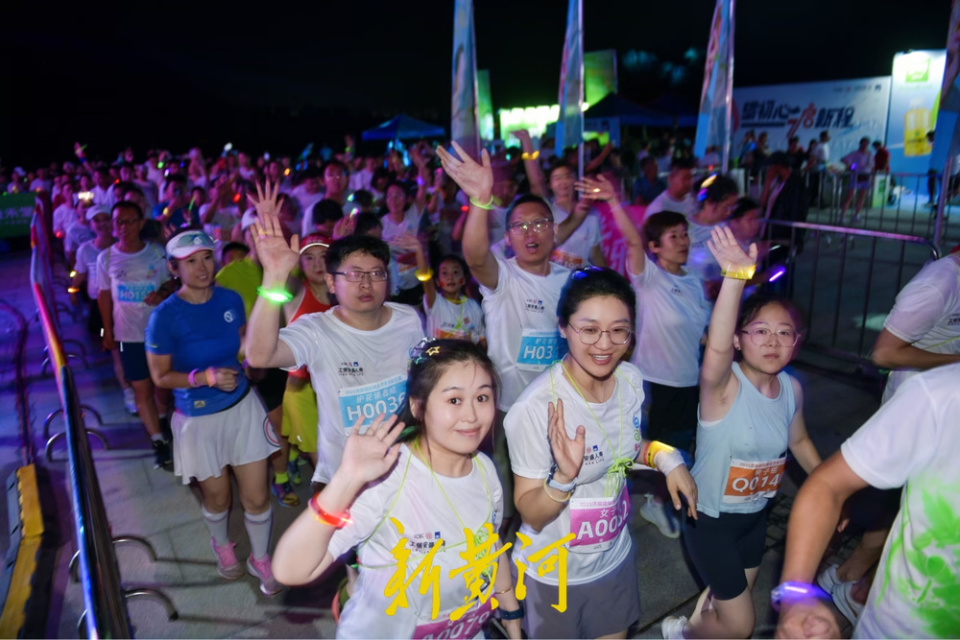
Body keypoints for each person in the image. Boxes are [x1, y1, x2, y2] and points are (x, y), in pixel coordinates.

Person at [273, 340, 522, 638]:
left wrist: (510, 612)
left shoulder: (484, 469)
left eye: (482, 397)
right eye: (454, 400)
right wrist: (346, 479)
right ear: (418, 406)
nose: (471, 415)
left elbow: (490, 544)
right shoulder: (387, 479)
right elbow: (290, 570)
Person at [505, 267, 698, 639]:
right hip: (553, 572)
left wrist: (667, 458)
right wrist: (564, 478)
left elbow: (626, 446)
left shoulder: (630, 380)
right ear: (563, 327)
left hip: (614, 557)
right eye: (589, 330)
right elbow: (531, 512)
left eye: (618, 330)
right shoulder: (536, 408)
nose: (605, 344)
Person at [662, 227, 822, 639]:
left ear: (796, 342)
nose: (773, 341)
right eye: (760, 331)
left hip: (755, 518)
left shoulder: (791, 388)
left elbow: (799, 441)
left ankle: (685, 633)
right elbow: (714, 351)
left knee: (725, 600)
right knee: (741, 624)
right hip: (710, 521)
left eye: (784, 332)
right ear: (737, 340)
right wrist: (735, 278)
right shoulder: (723, 387)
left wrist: (830, 490)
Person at [244, 181, 425, 488]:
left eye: (376, 273)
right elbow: (259, 356)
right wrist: (274, 276)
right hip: (345, 480)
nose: (366, 284)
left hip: (405, 467)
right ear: (331, 282)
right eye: (353, 274)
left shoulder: (408, 319)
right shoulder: (316, 331)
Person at [436, 141, 573, 518]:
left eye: (540, 223)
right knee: (505, 494)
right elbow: (475, 257)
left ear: (554, 231)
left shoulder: (570, 281)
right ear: (508, 237)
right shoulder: (503, 277)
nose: (531, 232)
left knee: (554, 484)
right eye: (519, 225)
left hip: (557, 404)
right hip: (508, 406)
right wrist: (481, 201)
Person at [775, 363, 960, 639]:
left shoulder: (792, 389)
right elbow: (828, 485)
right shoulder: (941, 395)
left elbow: (805, 450)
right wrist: (795, 597)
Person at [145, 229, 282, 596]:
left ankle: (260, 557)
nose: (202, 267)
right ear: (174, 268)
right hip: (197, 419)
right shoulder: (164, 317)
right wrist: (201, 377)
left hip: (242, 409)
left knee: (257, 497)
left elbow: (244, 345)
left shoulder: (230, 299)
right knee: (219, 498)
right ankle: (222, 546)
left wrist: (253, 361)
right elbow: (160, 376)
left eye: (207, 257)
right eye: (191, 261)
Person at [579, 175, 712, 539]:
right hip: (653, 381)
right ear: (655, 247)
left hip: (688, 381)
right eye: (673, 237)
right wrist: (613, 200)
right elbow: (632, 241)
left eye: (684, 235)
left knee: (676, 449)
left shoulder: (693, 281)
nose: (683, 242)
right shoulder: (648, 278)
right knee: (639, 448)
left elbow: (700, 330)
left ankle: (659, 500)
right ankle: (627, 503)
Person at [97, 201, 175, 467]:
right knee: (142, 390)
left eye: (130, 221)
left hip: (159, 333)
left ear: (141, 223)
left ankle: (162, 417)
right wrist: (107, 330)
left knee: (162, 385)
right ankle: (158, 441)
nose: (124, 227)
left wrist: (161, 292)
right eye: (119, 221)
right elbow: (103, 296)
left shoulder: (156, 253)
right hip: (127, 337)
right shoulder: (106, 258)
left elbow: (171, 282)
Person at [73, 204, 136, 415]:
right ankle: (129, 392)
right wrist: (73, 290)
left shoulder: (125, 245)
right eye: (97, 220)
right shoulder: (85, 250)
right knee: (118, 351)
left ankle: (140, 386)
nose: (102, 224)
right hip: (101, 308)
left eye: (106, 219)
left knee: (131, 349)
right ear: (90, 225)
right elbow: (80, 274)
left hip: (127, 305)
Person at [280, 234, 333, 470]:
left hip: (337, 387)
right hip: (302, 390)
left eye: (323, 256)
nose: (317, 263)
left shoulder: (345, 294)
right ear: (299, 264)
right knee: (324, 465)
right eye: (309, 258)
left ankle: (293, 455)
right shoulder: (296, 290)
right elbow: (279, 280)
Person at [423, 254, 486, 346]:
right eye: (445, 273)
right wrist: (420, 251)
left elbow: (483, 341)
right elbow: (426, 279)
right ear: (437, 282)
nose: (450, 277)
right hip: (440, 355)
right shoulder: (436, 302)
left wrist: (473, 340)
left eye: (455, 272)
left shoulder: (473, 306)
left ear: (463, 279)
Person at [840, 137, 873, 223]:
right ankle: (842, 215)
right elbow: (843, 159)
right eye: (863, 143)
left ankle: (856, 214)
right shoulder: (855, 153)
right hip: (856, 176)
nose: (865, 145)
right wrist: (852, 166)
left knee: (862, 196)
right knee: (849, 196)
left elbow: (872, 166)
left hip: (866, 176)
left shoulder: (870, 154)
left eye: (866, 143)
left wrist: (872, 178)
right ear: (860, 144)